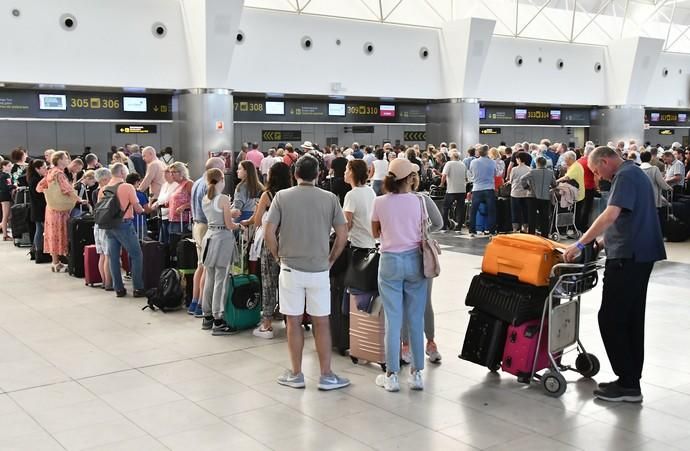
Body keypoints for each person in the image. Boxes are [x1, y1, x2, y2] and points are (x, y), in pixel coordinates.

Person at [564, 146, 665, 403]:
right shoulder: (634, 174)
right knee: (630, 318)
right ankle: (630, 380)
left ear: (607, 161)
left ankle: (628, 383)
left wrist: (580, 243)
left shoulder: (625, 176)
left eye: (597, 171)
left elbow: (611, 214)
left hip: (628, 258)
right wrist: (600, 243)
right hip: (638, 254)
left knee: (611, 318)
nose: (599, 177)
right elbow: (625, 221)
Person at [264, 155, 351, 391]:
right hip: (320, 269)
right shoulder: (330, 198)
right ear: (319, 175)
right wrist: (331, 258)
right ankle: (326, 375)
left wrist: (276, 255)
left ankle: (296, 374)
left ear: (295, 174)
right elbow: (343, 235)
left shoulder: (282, 197)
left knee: (293, 321)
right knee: (321, 322)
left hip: (290, 268)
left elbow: (268, 231)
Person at [371, 158, 443, 392]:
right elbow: (429, 226)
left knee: (393, 319)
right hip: (415, 261)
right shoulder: (419, 201)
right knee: (415, 317)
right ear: (409, 179)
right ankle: (417, 374)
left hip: (389, 262)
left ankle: (391, 375)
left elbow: (376, 232)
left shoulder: (379, 202)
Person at [242, 162, 292, 339]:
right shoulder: (291, 195)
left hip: (270, 242)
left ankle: (267, 323)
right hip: (290, 242)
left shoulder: (267, 195)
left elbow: (257, 221)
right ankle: (289, 317)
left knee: (269, 282)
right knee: (288, 283)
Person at [199, 168, 244, 335]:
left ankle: (207, 316)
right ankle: (219, 319)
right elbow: (229, 224)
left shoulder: (205, 198)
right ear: (221, 180)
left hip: (209, 238)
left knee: (210, 278)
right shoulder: (224, 198)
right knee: (221, 279)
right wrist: (240, 224)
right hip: (222, 239)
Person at [186, 157, 226, 316]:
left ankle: (194, 302)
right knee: (208, 269)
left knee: (200, 266)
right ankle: (203, 304)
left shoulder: (196, 182)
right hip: (206, 228)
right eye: (221, 170)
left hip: (197, 226)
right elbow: (213, 212)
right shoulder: (209, 187)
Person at [99, 162, 145, 298]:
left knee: (113, 257)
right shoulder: (127, 187)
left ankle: (118, 288)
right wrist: (142, 210)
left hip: (108, 226)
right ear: (122, 173)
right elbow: (137, 208)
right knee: (136, 255)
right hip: (124, 225)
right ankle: (138, 288)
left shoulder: (104, 189)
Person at [36, 151, 85, 271]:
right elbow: (67, 190)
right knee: (62, 234)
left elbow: (39, 188)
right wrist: (79, 199)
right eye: (65, 158)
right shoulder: (59, 174)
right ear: (59, 160)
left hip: (51, 208)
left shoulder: (50, 172)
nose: (68, 160)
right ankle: (62, 262)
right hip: (61, 210)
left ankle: (55, 262)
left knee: (53, 234)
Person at [343, 160, 376, 249]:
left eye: (346, 169)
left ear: (351, 172)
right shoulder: (370, 191)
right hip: (371, 242)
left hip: (357, 243)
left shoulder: (351, 195)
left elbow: (347, 225)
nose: (344, 172)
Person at [521, 156, 555, 237]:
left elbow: (522, 179)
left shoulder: (533, 172)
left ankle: (531, 235)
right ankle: (545, 235)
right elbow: (554, 184)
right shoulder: (550, 173)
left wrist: (527, 187)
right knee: (545, 217)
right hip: (545, 197)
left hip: (532, 197)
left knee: (532, 217)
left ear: (537, 163)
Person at [468, 145, 497, 236]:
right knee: (491, 211)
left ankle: (472, 230)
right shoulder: (492, 162)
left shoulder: (474, 162)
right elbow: (495, 174)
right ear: (487, 152)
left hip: (477, 188)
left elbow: (471, 172)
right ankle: (491, 230)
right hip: (489, 188)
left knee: (474, 210)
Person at [640, 150, 672, 231]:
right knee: (654, 217)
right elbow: (661, 182)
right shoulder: (654, 169)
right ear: (650, 158)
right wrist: (669, 188)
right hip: (653, 197)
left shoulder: (638, 169)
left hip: (641, 199)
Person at [93, 168, 113, 290]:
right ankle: (109, 283)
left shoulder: (97, 191)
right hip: (105, 225)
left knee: (102, 255)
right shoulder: (106, 190)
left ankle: (104, 281)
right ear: (105, 179)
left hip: (97, 224)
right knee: (108, 255)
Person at [557, 151, 586, 230]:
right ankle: (572, 228)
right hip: (578, 192)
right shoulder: (575, 165)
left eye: (565, 159)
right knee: (575, 212)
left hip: (577, 194)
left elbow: (567, 177)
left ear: (570, 159)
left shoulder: (575, 167)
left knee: (575, 213)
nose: (564, 161)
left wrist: (556, 182)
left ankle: (573, 229)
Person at [440, 150, 467, 232]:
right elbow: (466, 178)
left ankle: (444, 226)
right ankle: (459, 226)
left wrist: (441, 184)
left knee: (446, 207)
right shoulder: (463, 164)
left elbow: (444, 175)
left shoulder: (449, 163)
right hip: (462, 189)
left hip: (451, 189)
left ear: (451, 156)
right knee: (460, 208)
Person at [151, 167, 178, 245]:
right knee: (163, 239)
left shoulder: (176, 185)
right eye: (164, 173)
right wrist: (156, 203)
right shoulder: (164, 185)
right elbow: (161, 198)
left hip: (171, 214)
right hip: (162, 214)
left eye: (167, 173)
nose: (165, 175)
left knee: (170, 238)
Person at [27, 159, 48, 258]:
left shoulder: (34, 178)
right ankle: (38, 251)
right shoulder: (35, 180)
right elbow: (39, 196)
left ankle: (36, 251)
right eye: (44, 167)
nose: (46, 169)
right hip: (39, 209)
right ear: (37, 169)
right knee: (40, 230)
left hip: (37, 208)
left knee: (39, 229)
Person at [166, 162, 193, 235]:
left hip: (183, 220)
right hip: (173, 219)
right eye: (171, 172)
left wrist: (184, 206)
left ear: (181, 172)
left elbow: (195, 201)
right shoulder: (178, 185)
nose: (171, 175)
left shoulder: (188, 184)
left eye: (174, 172)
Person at [509, 152, 531, 233]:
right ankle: (525, 228)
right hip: (526, 193)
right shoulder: (529, 169)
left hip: (515, 193)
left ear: (519, 159)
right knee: (525, 211)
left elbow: (511, 180)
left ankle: (515, 229)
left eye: (516, 158)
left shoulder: (514, 169)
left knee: (515, 211)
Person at [577, 146, 597, 232]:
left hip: (579, 187)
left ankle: (577, 225)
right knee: (586, 208)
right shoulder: (591, 162)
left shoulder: (578, 161)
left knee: (579, 207)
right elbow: (596, 175)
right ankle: (583, 226)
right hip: (589, 187)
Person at [125, 173, 150, 239]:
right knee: (142, 244)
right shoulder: (140, 194)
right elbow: (147, 210)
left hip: (126, 223)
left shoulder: (123, 193)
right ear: (136, 182)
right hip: (140, 223)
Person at [0, 160, 15, 240]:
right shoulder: (4, 175)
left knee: (8, 215)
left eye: (10, 166)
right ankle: (5, 235)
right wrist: (14, 186)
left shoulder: (6, 175)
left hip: (6, 196)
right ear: (3, 166)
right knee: (5, 216)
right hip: (5, 197)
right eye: (9, 166)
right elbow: (6, 186)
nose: (11, 167)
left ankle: (5, 232)